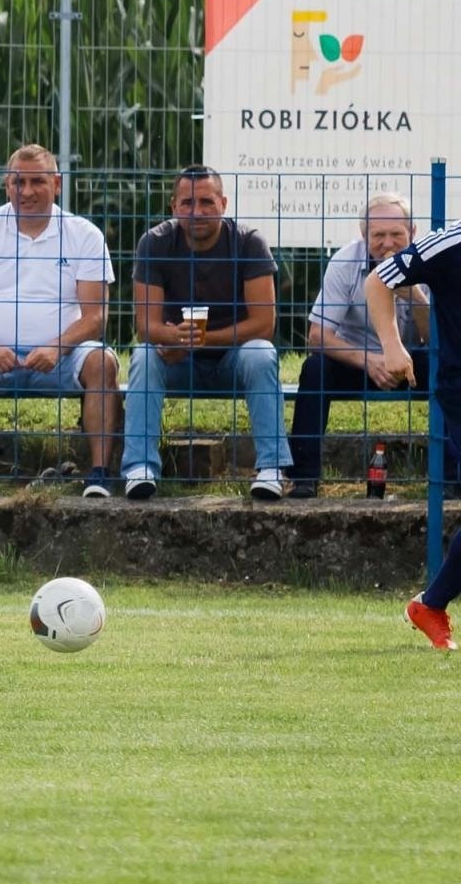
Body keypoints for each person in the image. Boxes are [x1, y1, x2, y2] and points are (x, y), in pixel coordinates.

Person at [0, 144, 118, 498]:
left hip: (62, 356)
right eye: (18, 182)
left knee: (102, 362)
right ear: (6, 185)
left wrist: (57, 347)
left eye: (37, 182)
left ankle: (100, 475)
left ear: (57, 184)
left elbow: (96, 317)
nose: (26, 191)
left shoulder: (85, 234)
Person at [122, 165, 291, 500]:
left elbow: (263, 325)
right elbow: (146, 326)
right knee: (144, 355)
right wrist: (174, 340)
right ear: (173, 206)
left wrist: (199, 340)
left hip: (234, 359)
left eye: (206, 203)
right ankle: (139, 468)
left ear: (223, 203)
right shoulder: (155, 243)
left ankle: (272, 468)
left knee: (261, 353)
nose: (196, 212)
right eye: (187, 203)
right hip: (176, 359)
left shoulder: (248, 243)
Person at [287, 192, 447, 498]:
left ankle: (451, 479)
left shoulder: (430, 262)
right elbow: (318, 336)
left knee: (449, 368)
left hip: (412, 362)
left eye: (396, 234)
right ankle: (304, 477)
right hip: (357, 362)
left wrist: (415, 296)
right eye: (379, 235)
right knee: (314, 368)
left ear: (412, 232)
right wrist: (368, 360)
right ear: (364, 235)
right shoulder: (344, 262)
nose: (388, 243)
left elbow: (439, 339)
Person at [368, 218, 461, 651]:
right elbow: (377, 281)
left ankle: (432, 604)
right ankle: (431, 604)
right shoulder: (450, 242)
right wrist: (391, 345)